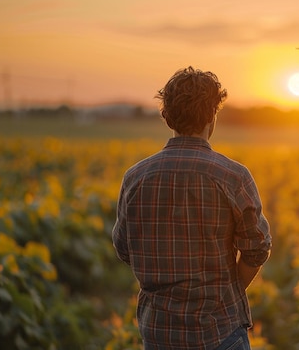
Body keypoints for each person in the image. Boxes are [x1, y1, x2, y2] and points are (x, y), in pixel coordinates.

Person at [112, 66, 272, 350]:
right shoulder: (234, 177)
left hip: (159, 333)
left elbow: (124, 248)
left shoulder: (135, 178)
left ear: (166, 117)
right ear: (213, 116)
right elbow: (257, 249)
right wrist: (225, 294)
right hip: (219, 331)